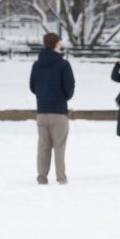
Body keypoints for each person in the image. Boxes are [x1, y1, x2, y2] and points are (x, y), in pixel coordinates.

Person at [29, 31, 75, 184]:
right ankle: (61, 177)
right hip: (59, 111)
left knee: (43, 146)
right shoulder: (63, 64)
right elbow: (69, 87)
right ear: (56, 44)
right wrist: (63, 97)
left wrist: (43, 96)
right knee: (59, 146)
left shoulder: (37, 64)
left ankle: (42, 176)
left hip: (41, 111)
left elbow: (32, 86)